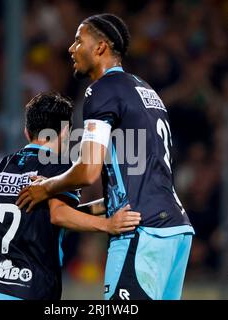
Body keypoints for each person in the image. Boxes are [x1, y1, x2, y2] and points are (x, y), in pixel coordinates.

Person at [17, 14, 194, 300]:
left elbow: (88, 170)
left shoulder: (101, 90)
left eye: (78, 40)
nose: (71, 48)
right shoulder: (145, 90)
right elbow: (134, 186)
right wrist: (73, 215)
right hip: (175, 231)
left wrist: (45, 187)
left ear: (100, 47)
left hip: (141, 231)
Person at [0, 92, 141, 300]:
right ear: (65, 132)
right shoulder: (62, 169)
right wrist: (108, 225)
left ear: (27, 132)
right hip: (32, 290)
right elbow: (60, 216)